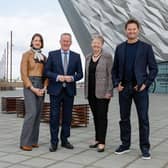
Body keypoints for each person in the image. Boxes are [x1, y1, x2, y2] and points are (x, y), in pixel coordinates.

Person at [112, 19, 158, 159]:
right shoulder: (120, 48)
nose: (131, 31)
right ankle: (125, 145)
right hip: (124, 88)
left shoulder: (146, 48)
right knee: (124, 118)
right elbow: (114, 70)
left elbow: (154, 68)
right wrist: (116, 84)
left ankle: (145, 148)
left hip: (140, 88)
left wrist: (146, 83)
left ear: (138, 30)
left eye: (134, 29)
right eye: (129, 29)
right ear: (125, 31)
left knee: (143, 118)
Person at [45, 33, 83, 152]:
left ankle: (65, 140)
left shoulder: (76, 56)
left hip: (69, 91)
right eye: (64, 41)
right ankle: (54, 142)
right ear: (60, 41)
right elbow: (46, 72)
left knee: (67, 117)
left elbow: (80, 74)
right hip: (55, 91)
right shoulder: (52, 54)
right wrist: (57, 77)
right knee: (54, 117)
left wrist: (71, 78)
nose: (66, 43)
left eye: (68, 41)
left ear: (70, 42)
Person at [85, 35, 113, 152]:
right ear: (91, 44)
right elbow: (87, 75)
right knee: (96, 116)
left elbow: (111, 75)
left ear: (102, 45)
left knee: (102, 117)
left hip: (103, 93)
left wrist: (109, 91)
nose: (96, 45)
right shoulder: (88, 57)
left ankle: (102, 142)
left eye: (98, 43)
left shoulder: (107, 56)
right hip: (91, 92)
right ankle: (97, 139)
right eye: (94, 43)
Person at [20, 33, 48, 151]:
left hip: (41, 85)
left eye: (39, 41)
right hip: (30, 85)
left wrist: (45, 87)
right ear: (32, 42)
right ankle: (24, 142)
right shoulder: (26, 55)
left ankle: (33, 141)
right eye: (35, 40)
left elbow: (47, 75)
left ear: (41, 43)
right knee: (31, 112)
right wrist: (32, 88)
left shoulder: (44, 58)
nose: (37, 42)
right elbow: (23, 73)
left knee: (38, 114)